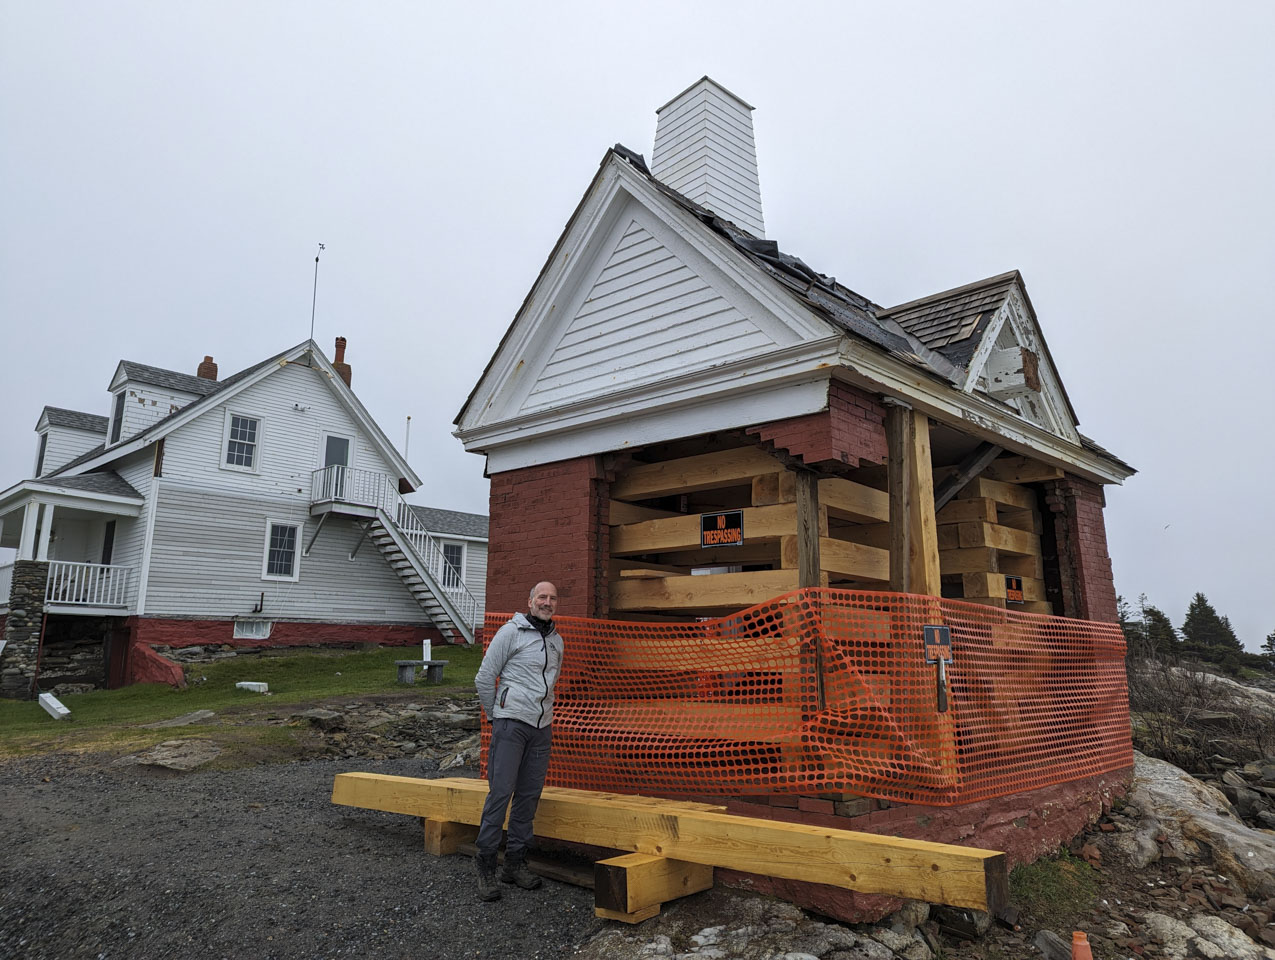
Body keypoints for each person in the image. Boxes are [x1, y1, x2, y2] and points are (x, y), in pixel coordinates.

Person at [472, 581, 564, 901]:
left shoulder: (556, 642)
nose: (547, 602)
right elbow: (485, 677)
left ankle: (515, 863)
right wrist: (496, 715)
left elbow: (550, 686)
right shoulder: (510, 633)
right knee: (500, 794)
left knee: (528, 797)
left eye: (552, 598)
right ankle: (486, 866)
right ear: (530, 601)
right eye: (542, 597)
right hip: (511, 725)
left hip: (542, 729)